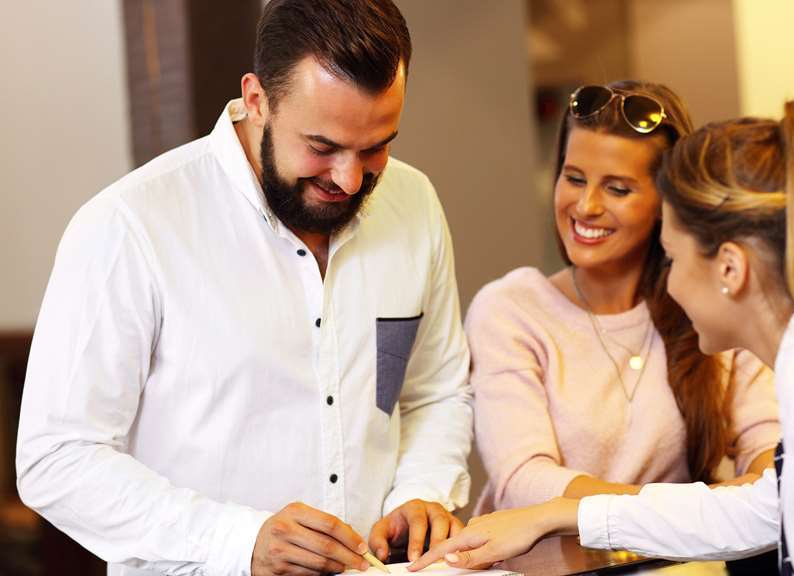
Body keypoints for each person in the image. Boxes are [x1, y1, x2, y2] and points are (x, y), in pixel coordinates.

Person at [409, 97, 794, 575]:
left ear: (729, 268)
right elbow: (756, 509)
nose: (668, 286)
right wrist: (558, 513)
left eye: (672, 259)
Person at [15, 1, 472, 575]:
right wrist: (238, 540)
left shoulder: (414, 203)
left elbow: (436, 391)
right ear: (257, 99)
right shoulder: (130, 226)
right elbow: (55, 458)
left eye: (377, 145)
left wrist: (422, 490)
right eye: (323, 147)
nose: (351, 178)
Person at [465, 81, 779, 573]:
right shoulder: (511, 307)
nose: (586, 206)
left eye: (617, 188)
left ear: (666, 201)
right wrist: (693, 514)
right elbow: (524, 479)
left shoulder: (711, 311)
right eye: (573, 178)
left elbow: (771, 464)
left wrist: (661, 519)